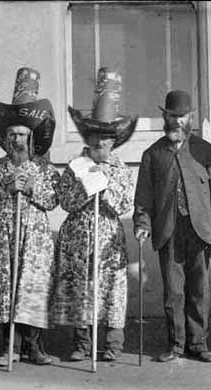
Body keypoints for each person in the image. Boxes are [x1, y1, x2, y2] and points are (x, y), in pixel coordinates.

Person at [133, 90, 211, 363]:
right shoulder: (152, 154)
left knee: (199, 290)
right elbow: (143, 198)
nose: (176, 121)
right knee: (174, 291)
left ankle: (198, 343)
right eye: (172, 116)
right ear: (165, 116)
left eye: (182, 116)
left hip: (200, 230)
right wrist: (142, 224)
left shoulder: (205, 151)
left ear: (191, 118)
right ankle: (176, 344)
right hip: (169, 230)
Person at [51, 67, 137, 362]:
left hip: (109, 240)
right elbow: (64, 200)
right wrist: (87, 184)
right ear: (87, 138)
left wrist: (105, 185)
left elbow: (124, 204)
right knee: (82, 289)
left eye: (106, 140)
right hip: (79, 238)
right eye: (95, 139)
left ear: (114, 141)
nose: (100, 144)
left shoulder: (121, 170)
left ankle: (112, 344)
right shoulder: (76, 166)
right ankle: (82, 344)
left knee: (112, 289)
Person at [0, 67, 59, 366]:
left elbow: (53, 201)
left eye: (22, 134)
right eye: (12, 134)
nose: (17, 139)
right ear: (5, 137)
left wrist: (34, 189)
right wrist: (6, 190)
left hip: (35, 238)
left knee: (32, 288)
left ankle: (34, 348)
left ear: (31, 136)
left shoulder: (45, 170)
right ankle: (9, 347)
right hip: (5, 237)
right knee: (7, 287)